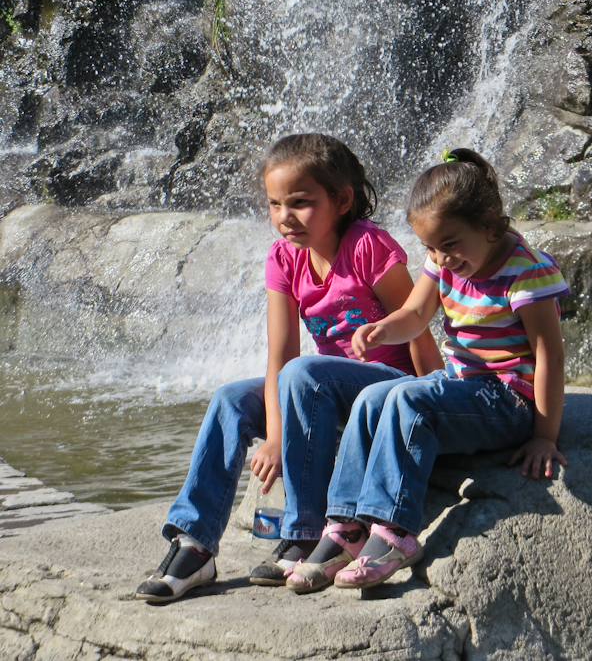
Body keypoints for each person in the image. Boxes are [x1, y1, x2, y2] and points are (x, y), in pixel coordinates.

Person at [135, 133, 441, 603]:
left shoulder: (368, 247)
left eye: (300, 202)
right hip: (316, 393)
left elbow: (418, 329)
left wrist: (430, 402)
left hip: (385, 391)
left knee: (305, 376)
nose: (284, 217)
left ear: (341, 200)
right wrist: (275, 436)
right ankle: (195, 545)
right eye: (275, 204)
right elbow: (281, 353)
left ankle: (302, 532)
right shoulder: (283, 258)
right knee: (232, 399)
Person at [285, 148, 570, 594]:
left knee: (407, 398)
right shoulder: (443, 261)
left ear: (490, 224)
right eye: (431, 248)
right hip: (462, 385)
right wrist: (382, 328)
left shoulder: (526, 272)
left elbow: (549, 355)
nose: (442, 258)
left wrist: (545, 436)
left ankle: (395, 530)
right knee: (373, 397)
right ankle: (346, 526)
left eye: (450, 244)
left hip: (509, 400)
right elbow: (416, 314)